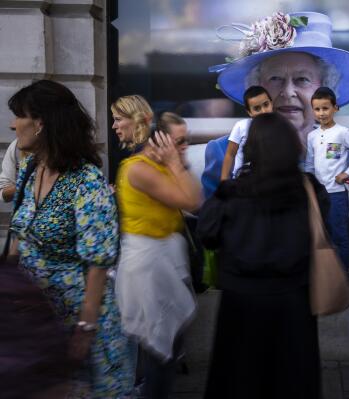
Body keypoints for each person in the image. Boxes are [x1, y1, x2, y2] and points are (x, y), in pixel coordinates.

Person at [7, 79, 134, 397]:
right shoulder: (29, 169)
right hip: (39, 321)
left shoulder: (85, 181)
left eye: (18, 116)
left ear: (40, 123)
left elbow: (99, 260)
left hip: (80, 322)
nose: (12, 125)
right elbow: (20, 238)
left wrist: (86, 327)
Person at [196, 112, 329, 399]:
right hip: (295, 304)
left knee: (239, 380)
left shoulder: (231, 193)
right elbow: (323, 228)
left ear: (251, 148)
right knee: (292, 381)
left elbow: (206, 233)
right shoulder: (309, 191)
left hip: (241, 305)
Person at [202, 11, 349, 198]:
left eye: (302, 79)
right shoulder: (224, 153)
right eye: (275, 78)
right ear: (256, 86)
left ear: (325, 88)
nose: (288, 91)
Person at [111, 96, 202, 399]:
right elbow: (192, 201)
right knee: (159, 354)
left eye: (118, 118)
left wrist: (175, 162)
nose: (185, 146)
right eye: (180, 141)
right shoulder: (137, 169)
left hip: (161, 266)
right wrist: (177, 163)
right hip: (149, 272)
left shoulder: (157, 165)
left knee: (165, 351)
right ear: (160, 138)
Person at [305, 87, 349, 268]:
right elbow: (309, 165)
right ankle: (326, 279)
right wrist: (310, 189)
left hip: (336, 194)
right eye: (317, 109)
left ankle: (343, 280)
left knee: (339, 236)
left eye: (325, 108)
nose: (321, 113)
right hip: (318, 195)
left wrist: (347, 174)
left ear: (336, 108)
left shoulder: (343, 132)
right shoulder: (312, 136)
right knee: (321, 237)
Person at [220, 86, 273, 181]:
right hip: (243, 181)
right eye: (257, 108)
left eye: (266, 105)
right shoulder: (241, 126)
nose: (264, 111)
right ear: (249, 112)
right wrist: (223, 181)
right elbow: (230, 154)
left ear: (271, 104)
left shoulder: (280, 127)